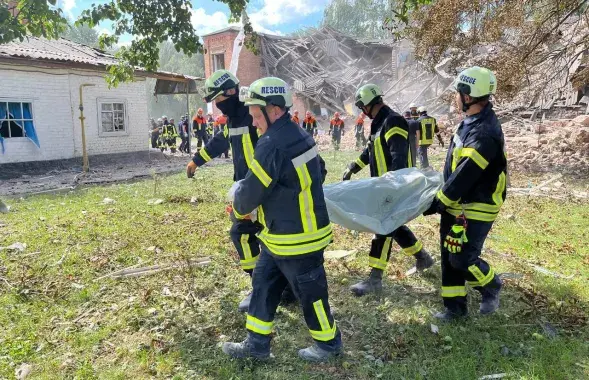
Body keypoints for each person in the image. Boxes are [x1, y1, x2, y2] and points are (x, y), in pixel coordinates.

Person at [221, 77, 341, 362]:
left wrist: (239, 210)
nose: (253, 123)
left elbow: (250, 193)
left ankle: (329, 345)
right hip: (280, 236)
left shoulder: (271, 144)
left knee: (311, 295)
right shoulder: (299, 133)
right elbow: (319, 172)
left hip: (297, 239)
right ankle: (256, 346)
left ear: (273, 109)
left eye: (255, 115)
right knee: (262, 283)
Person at [185, 70, 293, 312]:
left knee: (245, 233)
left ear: (231, 92)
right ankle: (275, 285)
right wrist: (196, 161)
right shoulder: (234, 119)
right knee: (248, 234)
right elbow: (219, 142)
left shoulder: (253, 115)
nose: (217, 106)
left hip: (264, 188)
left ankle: (264, 287)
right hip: (248, 189)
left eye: (218, 100)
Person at [423, 66, 505, 321]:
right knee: (449, 255)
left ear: (468, 96)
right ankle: (455, 309)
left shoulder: (483, 133)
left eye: (458, 92)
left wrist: (438, 202)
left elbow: (465, 175)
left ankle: (491, 284)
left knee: (462, 259)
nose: (455, 97)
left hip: (478, 204)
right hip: (458, 203)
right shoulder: (471, 122)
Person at [342, 84, 434, 296]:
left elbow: (399, 154)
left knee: (383, 227)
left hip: (393, 186)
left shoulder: (392, 120)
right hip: (385, 185)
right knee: (394, 225)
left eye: (361, 106)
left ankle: (374, 278)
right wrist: (352, 167)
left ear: (367, 104)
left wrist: (393, 186)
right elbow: (370, 151)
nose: (361, 112)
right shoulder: (378, 123)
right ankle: (423, 258)